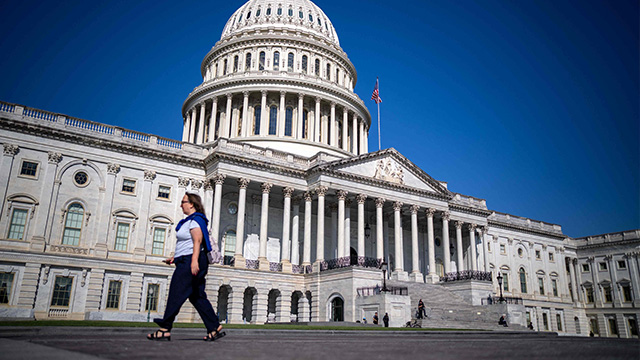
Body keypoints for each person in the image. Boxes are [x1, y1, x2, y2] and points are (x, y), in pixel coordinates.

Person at [147, 193, 225, 342]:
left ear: (192, 204)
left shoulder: (196, 220)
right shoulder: (189, 221)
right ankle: (214, 327)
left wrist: (194, 261)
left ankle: (165, 328)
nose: (181, 205)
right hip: (187, 259)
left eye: (183, 202)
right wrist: (175, 258)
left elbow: (197, 241)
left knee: (176, 291)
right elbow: (187, 244)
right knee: (197, 296)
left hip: (191, 260)